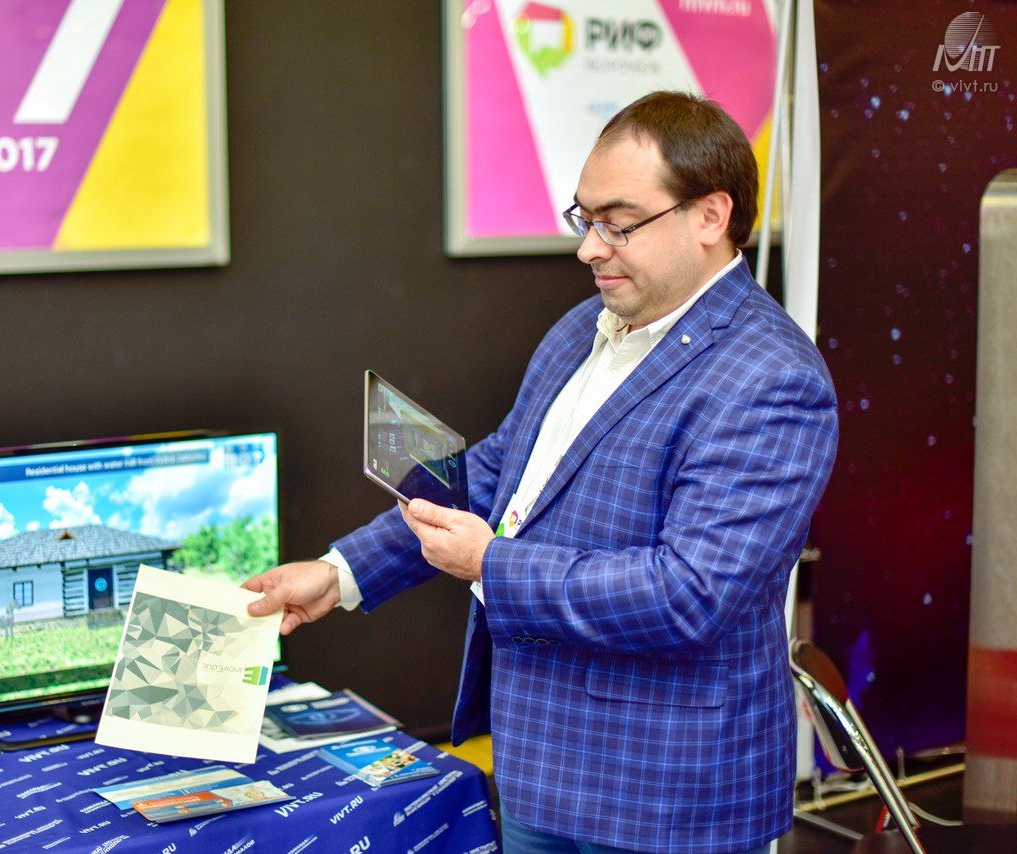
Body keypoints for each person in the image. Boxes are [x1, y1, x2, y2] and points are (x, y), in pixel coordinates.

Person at [244, 91, 838, 854]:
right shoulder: (581, 328)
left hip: (665, 797)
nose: (589, 249)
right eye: (584, 219)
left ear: (710, 216)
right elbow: (500, 472)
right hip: (540, 765)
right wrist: (340, 573)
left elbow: (690, 593)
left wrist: (490, 563)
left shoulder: (771, 377)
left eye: (619, 224)